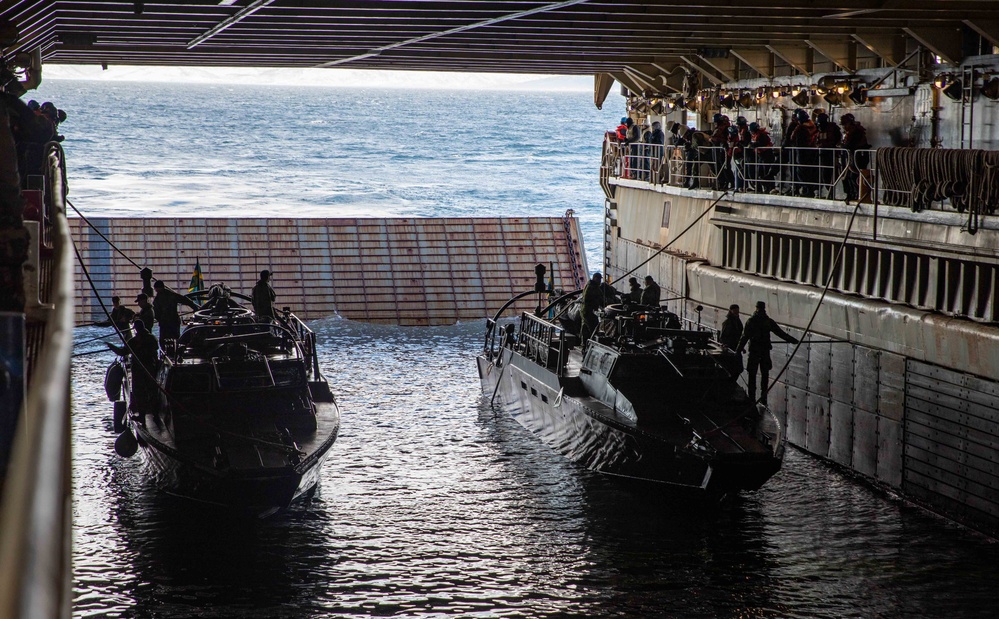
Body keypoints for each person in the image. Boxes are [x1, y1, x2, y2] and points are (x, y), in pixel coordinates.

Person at [736, 301, 799, 403]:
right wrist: (792, 340)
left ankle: (751, 397)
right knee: (765, 373)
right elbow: (780, 333)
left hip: (754, 351)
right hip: (765, 351)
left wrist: (738, 350)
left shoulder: (751, 321)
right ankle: (763, 397)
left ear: (756, 308)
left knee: (752, 373)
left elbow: (744, 337)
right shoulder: (768, 321)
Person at [106, 319, 159, 413]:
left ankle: (141, 414)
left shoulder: (133, 341)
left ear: (135, 329)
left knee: (138, 392)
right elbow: (155, 349)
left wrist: (111, 346)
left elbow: (122, 352)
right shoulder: (152, 338)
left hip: (139, 370)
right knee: (151, 390)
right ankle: (154, 411)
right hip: (151, 367)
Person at [839, 114, 871, 202]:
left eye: (845, 124)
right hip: (850, 157)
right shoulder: (847, 133)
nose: (844, 127)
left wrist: (842, 146)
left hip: (858, 157)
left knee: (854, 176)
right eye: (843, 125)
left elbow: (850, 144)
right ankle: (851, 194)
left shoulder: (857, 132)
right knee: (847, 177)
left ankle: (858, 194)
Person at [789, 108, 818, 196]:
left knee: (801, 171)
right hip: (812, 151)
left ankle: (807, 190)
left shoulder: (801, 128)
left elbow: (793, 138)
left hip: (801, 152)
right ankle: (810, 190)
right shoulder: (813, 126)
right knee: (810, 171)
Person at [815, 112, 842, 193]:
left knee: (830, 174)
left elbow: (837, 140)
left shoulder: (833, 129)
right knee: (824, 174)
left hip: (831, 155)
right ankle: (828, 191)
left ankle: (830, 191)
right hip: (823, 154)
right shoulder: (821, 129)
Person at [746, 122, 776, 193]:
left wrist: (754, 145)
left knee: (767, 172)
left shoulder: (762, 135)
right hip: (761, 156)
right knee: (760, 173)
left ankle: (771, 188)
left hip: (767, 155)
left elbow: (761, 143)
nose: (751, 133)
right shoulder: (755, 135)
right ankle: (762, 188)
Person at [580, 273, 607, 346]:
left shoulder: (592, 286)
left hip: (586, 311)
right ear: (595, 278)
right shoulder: (591, 287)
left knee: (585, 329)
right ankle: (591, 345)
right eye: (599, 279)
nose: (600, 281)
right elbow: (588, 300)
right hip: (588, 312)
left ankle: (584, 345)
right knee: (593, 329)